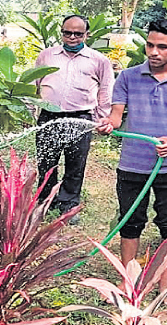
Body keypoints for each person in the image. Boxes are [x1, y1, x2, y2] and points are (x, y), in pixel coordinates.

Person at [96, 19, 167, 304]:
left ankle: (163, 284)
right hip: (132, 163)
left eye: (162, 47)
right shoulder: (129, 77)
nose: (154, 52)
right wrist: (109, 123)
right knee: (130, 221)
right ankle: (128, 281)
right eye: (149, 45)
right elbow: (117, 115)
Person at [34, 14, 115, 223]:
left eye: (78, 33)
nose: (72, 37)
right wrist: (29, 112)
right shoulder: (47, 56)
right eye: (67, 32)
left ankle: (68, 204)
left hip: (80, 118)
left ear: (87, 34)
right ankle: (44, 202)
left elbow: (105, 92)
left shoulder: (99, 60)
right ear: (61, 32)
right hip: (49, 117)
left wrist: (101, 119)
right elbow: (34, 84)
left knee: (75, 164)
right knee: (46, 162)